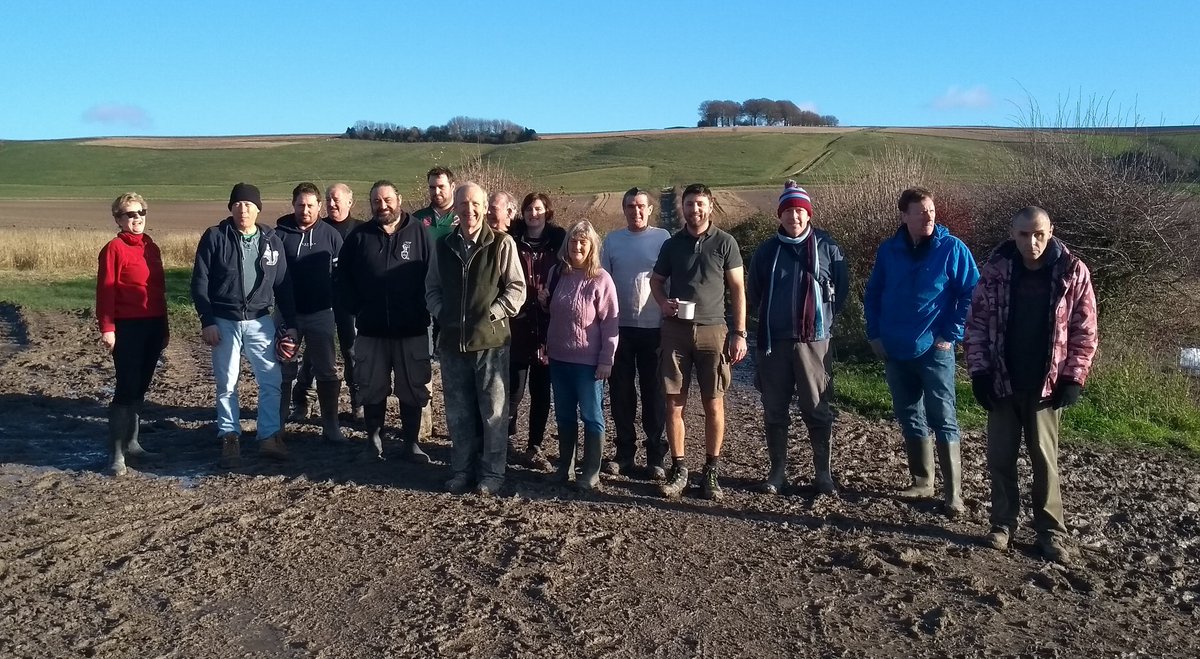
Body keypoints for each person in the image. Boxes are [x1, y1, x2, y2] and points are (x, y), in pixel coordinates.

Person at [965, 206, 1098, 564]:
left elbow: (1085, 332)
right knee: (1000, 458)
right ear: (1013, 233)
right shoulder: (995, 270)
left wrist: (1073, 376)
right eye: (1024, 234)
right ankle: (1002, 525)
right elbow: (976, 325)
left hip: (1046, 385)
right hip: (1002, 380)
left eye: (1039, 233)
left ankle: (1051, 531)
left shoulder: (1072, 272)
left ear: (1051, 231)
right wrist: (979, 373)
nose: (1032, 241)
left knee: (1045, 460)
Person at [864, 187, 979, 517]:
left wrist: (951, 333)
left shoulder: (952, 249)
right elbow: (873, 294)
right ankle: (922, 481)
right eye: (920, 211)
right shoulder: (889, 251)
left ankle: (953, 494)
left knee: (944, 417)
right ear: (904, 216)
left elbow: (972, 293)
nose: (928, 216)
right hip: (895, 348)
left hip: (935, 349)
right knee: (909, 414)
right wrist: (875, 334)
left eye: (931, 210)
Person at [747, 181, 849, 496]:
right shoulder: (766, 251)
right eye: (788, 211)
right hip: (773, 343)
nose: (794, 217)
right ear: (780, 215)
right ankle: (777, 472)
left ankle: (823, 474)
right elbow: (755, 293)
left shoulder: (827, 247)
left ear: (808, 214)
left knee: (817, 408)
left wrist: (821, 323)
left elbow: (841, 292)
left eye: (800, 211)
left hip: (815, 342)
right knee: (774, 409)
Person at [426, 182, 526, 495]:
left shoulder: (501, 243)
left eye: (475, 204)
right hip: (452, 343)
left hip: (491, 344)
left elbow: (517, 288)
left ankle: (493, 474)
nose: (469, 210)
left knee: (494, 413)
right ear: (454, 208)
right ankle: (461, 470)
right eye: (463, 204)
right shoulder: (443, 246)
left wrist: (492, 313)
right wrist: (443, 314)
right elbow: (432, 288)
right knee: (458, 412)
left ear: (484, 208)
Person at [649, 183, 748, 500]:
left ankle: (711, 471)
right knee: (673, 402)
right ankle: (679, 469)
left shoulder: (726, 242)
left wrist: (740, 332)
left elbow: (737, 290)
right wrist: (662, 303)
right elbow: (656, 282)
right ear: (683, 207)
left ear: (710, 205)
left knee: (714, 403)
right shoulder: (672, 244)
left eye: (700, 204)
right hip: (675, 332)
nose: (695, 210)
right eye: (690, 204)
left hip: (714, 331)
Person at [191, 183, 297, 467]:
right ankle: (229, 437)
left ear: (258, 208)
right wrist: (207, 320)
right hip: (224, 322)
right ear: (231, 208)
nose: (243, 209)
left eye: (249, 204)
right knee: (227, 383)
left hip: (260, 321)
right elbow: (199, 282)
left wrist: (292, 325)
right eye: (237, 204)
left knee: (271, 381)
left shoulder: (272, 241)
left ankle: (269, 437)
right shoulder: (215, 237)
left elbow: (284, 286)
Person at [336, 180, 433, 463]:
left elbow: (434, 278)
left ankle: (411, 443)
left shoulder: (420, 233)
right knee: (371, 386)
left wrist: (423, 308)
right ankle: (373, 441)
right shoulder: (359, 237)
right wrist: (357, 308)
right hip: (371, 329)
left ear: (399, 199)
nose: (383, 205)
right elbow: (342, 280)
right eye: (377, 201)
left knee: (413, 387)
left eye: (388, 199)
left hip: (412, 328)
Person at [95, 192, 168, 476]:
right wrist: (107, 328)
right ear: (118, 219)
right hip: (126, 327)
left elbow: (159, 292)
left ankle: (134, 443)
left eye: (141, 212)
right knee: (126, 389)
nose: (137, 218)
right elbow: (106, 290)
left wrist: (164, 329)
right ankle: (116, 454)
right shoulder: (113, 248)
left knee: (141, 386)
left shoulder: (152, 247)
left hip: (152, 325)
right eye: (130, 214)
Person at [599, 187, 670, 479]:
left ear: (650, 209)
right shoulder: (613, 241)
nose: (636, 211)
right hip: (620, 328)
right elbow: (602, 284)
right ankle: (624, 453)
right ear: (624, 209)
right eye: (630, 206)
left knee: (655, 394)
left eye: (641, 206)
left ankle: (656, 456)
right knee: (621, 394)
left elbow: (672, 278)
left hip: (655, 328)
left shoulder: (663, 238)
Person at [546, 220, 620, 491]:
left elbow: (611, 323)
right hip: (558, 359)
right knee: (564, 415)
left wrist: (606, 359)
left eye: (583, 242)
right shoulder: (557, 273)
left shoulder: (601, 279)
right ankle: (565, 466)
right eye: (573, 241)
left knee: (591, 415)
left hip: (588, 364)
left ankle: (590, 470)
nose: (577, 246)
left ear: (592, 247)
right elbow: (553, 314)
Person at [274, 182, 345, 443]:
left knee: (326, 370)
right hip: (285, 313)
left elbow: (340, 276)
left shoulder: (330, 236)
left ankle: (331, 426)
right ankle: (276, 425)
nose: (305, 210)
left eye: (311, 205)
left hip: (321, 313)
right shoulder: (278, 235)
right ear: (293, 205)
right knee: (282, 369)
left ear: (318, 206)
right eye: (300, 205)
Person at [290, 183, 364, 422]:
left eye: (337, 200)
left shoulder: (361, 230)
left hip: (347, 302)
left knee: (352, 351)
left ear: (350, 203)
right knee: (313, 355)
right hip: (319, 303)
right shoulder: (316, 228)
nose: (332, 204)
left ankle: (358, 402)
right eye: (329, 200)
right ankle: (304, 399)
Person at [506, 192, 566, 470]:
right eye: (529, 208)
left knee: (541, 391)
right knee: (513, 389)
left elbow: (568, 276)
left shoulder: (558, 243)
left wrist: (551, 297)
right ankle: (504, 440)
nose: (533, 213)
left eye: (539, 208)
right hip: (517, 324)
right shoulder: (512, 241)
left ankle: (535, 445)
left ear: (547, 212)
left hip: (547, 325)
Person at [414, 166, 458, 242]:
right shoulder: (417, 219)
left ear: (452, 187)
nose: (437, 192)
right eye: (432, 187)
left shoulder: (465, 216)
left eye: (441, 187)